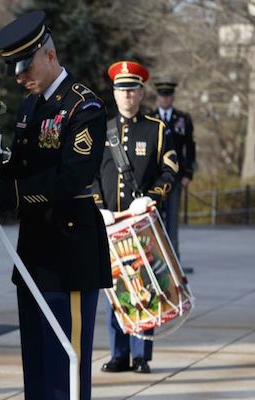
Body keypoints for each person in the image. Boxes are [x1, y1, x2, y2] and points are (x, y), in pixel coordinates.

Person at [0, 10, 112, 399]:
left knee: (65, 365)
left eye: (25, 67)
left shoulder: (84, 107)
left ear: (49, 55)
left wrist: (6, 194)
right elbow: (20, 166)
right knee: (35, 363)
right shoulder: (29, 107)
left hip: (69, 252)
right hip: (35, 252)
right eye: (13, 70)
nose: (19, 77)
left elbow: (71, 178)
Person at [93, 61, 179, 375]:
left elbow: (170, 169)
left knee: (145, 284)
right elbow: (90, 174)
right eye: (121, 90)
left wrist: (152, 197)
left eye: (132, 89)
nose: (127, 95)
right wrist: (97, 206)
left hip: (141, 222)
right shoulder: (102, 129)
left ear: (141, 93)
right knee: (114, 288)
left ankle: (141, 353)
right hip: (111, 222)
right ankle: (119, 353)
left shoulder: (156, 129)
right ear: (114, 94)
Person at [150, 81, 196, 258]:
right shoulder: (151, 117)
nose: (165, 99)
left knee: (172, 218)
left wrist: (188, 173)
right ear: (158, 97)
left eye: (168, 95)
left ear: (172, 97)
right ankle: (156, 257)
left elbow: (190, 147)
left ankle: (173, 256)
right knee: (155, 218)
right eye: (162, 95)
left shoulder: (182, 119)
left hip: (175, 176)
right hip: (155, 177)